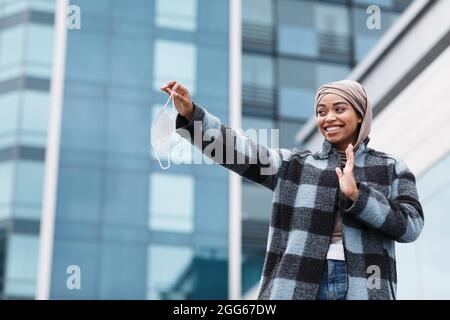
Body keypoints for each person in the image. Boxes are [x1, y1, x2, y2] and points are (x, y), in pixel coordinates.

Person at [160, 79, 424, 300]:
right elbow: (239, 152)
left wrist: (358, 195)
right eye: (321, 112)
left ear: (359, 114)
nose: (329, 118)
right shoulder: (295, 165)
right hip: (296, 284)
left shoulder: (391, 167)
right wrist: (192, 116)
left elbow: (411, 225)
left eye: (339, 109)